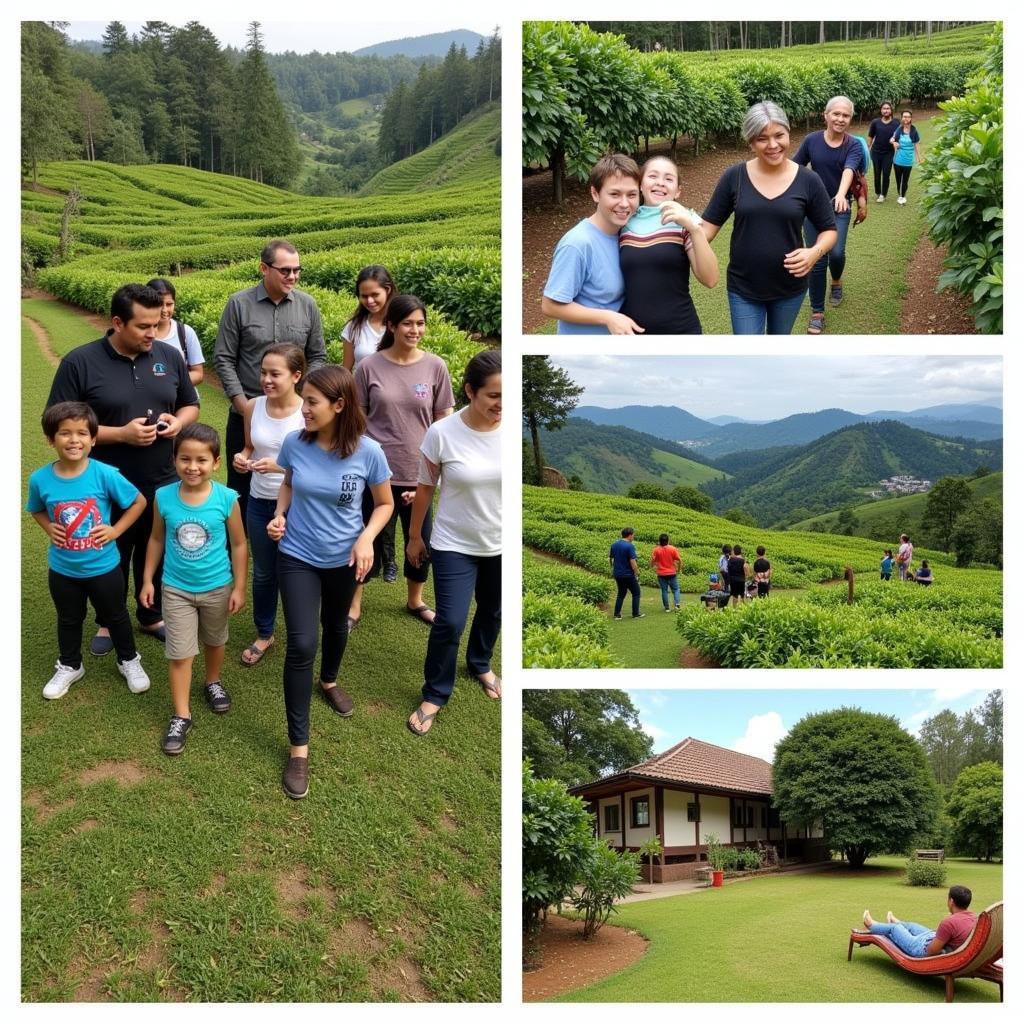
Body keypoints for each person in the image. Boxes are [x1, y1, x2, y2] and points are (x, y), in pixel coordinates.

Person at [46, 283, 200, 656]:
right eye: (143, 326)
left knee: (157, 551)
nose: (153, 332)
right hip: (102, 485)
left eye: (158, 322)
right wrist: (120, 434)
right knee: (109, 555)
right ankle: (107, 620)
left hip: (161, 480)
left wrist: (178, 423)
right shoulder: (79, 363)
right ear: (117, 322)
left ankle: (150, 615)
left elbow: (190, 404)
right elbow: (55, 424)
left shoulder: (167, 355)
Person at [268, 365, 393, 799]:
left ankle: (330, 681)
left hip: (344, 559)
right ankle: (299, 749)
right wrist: (280, 515)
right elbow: (287, 484)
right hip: (297, 555)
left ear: (339, 406)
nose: (304, 409)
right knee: (302, 643)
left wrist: (366, 539)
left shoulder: (368, 452)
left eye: (312, 403)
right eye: (304, 401)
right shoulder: (294, 443)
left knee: (336, 626)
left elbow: (383, 504)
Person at [406, 350, 502, 736]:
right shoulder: (441, 433)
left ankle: (480, 663)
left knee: (493, 611)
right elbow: (425, 487)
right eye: (493, 395)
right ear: (469, 391)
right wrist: (415, 536)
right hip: (453, 543)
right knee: (450, 621)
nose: (501, 404)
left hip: (500, 543)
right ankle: (435, 693)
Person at [27, 402, 151, 699]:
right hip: (63, 569)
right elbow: (36, 509)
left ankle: (129, 660)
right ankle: (70, 665)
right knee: (69, 618)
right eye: (64, 433)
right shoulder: (40, 479)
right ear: (50, 439)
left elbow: (138, 502)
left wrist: (115, 531)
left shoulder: (105, 474)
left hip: (104, 567)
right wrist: (48, 527)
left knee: (116, 615)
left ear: (93, 439)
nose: (74, 440)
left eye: (82, 433)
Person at [140, 424, 247, 755]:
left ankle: (212, 681)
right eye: (185, 458)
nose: (192, 466)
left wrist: (239, 587)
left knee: (216, 641)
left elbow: (240, 545)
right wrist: (147, 579)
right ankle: (181, 714)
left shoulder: (227, 499)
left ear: (216, 462)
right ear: (174, 460)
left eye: (201, 460)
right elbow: (156, 538)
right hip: (176, 589)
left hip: (217, 587)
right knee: (180, 652)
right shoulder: (163, 496)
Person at [350, 295, 455, 628]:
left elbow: (444, 421)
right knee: (364, 536)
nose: (415, 330)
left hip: (419, 472)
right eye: (407, 323)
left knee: (419, 539)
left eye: (420, 323)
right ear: (392, 326)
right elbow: (357, 420)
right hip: (376, 474)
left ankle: (415, 600)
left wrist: (436, 472)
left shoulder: (435, 366)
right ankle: (354, 604)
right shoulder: (369, 366)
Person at [213, 239, 326, 526]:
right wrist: (245, 407)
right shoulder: (239, 304)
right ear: (264, 268)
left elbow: (318, 357)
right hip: (246, 411)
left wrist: (303, 402)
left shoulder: (307, 305)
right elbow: (224, 359)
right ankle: (239, 545)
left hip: (295, 417)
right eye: (285, 270)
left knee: (294, 478)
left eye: (297, 270)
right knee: (240, 484)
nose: (292, 276)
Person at [703, 102, 836, 335]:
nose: (773, 145)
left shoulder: (808, 180)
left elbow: (829, 230)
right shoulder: (734, 177)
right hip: (743, 288)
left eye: (779, 135)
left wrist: (813, 253)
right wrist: (675, 234)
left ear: (788, 133)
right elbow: (706, 229)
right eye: (762, 138)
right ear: (751, 142)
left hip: (790, 287)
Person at [231, 344, 306, 667]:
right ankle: (265, 631)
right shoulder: (252, 406)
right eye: (263, 372)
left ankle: (301, 635)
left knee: (295, 572)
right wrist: (242, 458)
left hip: (299, 506)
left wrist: (278, 467)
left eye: (275, 373)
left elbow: (319, 464)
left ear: (296, 376)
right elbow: (250, 446)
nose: (266, 379)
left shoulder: (308, 412)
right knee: (263, 572)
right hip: (259, 501)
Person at [541, 154, 643, 334]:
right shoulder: (577, 244)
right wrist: (608, 317)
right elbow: (550, 306)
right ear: (595, 194)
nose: (625, 203)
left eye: (632, 195)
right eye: (614, 194)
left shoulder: (626, 233)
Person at [618, 155, 719, 334]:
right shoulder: (623, 221)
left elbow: (710, 279)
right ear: (640, 184)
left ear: (678, 191)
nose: (661, 183)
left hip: (681, 330)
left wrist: (693, 228)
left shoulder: (686, 221)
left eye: (668, 179)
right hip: (632, 333)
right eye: (653, 176)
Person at [793, 96, 862, 334]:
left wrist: (842, 195)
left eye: (846, 116)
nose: (840, 119)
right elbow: (795, 167)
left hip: (839, 208)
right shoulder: (811, 141)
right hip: (812, 209)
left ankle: (837, 281)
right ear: (826, 115)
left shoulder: (853, 145)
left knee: (837, 252)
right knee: (817, 257)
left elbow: (849, 170)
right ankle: (817, 312)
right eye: (836, 114)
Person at [861, 885, 977, 958]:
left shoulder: (949, 922)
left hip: (921, 949)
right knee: (913, 926)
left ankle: (872, 925)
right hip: (941, 942)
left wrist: (936, 934)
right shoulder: (973, 918)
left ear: (951, 901)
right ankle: (898, 923)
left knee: (894, 928)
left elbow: (932, 950)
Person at [146, 278, 204, 387]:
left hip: (182, 401)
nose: (164, 310)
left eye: (169, 304)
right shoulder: (140, 334)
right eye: (159, 304)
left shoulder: (185, 332)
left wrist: (169, 385)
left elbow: (198, 373)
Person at [342, 265, 396, 371]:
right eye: (364, 296)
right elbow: (346, 370)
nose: (370, 301)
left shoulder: (401, 324)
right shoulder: (353, 327)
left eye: (375, 295)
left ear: (388, 290)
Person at [867, 102, 900, 202]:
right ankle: (878, 192)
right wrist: (868, 148)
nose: (886, 110)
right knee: (877, 174)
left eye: (888, 108)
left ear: (891, 110)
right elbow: (870, 136)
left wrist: (897, 145)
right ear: (881, 110)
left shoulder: (896, 123)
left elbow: (899, 136)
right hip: (876, 152)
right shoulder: (875, 122)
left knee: (886, 174)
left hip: (889, 153)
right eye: (884, 108)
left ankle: (883, 194)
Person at [610, 528, 643, 619]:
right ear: (629, 535)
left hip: (617, 573)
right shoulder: (629, 546)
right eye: (633, 535)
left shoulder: (614, 545)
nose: (633, 536)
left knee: (621, 593)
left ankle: (617, 614)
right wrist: (637, 572)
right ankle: (635, 613)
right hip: (628, 574)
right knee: (636, 592)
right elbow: (633, 561)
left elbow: (612, 559)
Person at [892, 110, 923, 206]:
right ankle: (899, 192)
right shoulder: (899, 129)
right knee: (898, 180)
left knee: (905, 180)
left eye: (908, 117)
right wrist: (894, 142)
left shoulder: (914, 130)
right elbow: (892, 139)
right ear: (902, 118)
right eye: (904, 116)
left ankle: (902, 195)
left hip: (908, 160)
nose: (906, 118)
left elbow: (917, 144)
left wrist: (919, 157)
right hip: (897, 160)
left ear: (911, 118)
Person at [650, 533, 682, 611]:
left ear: (659, 541)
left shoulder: (656, 550)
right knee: (676, 590)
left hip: (661, 574)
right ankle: (677, 605)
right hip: (672, 573)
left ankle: (667, 608)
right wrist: (678, 569)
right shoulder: (673, 549)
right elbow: (679, 560)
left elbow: (653, 560)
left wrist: (652, 566)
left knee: (664, 590)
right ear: (668, 540)